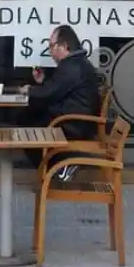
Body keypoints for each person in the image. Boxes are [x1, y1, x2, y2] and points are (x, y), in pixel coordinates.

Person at [19, 25, 101, 181]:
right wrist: (42, 82)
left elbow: (50, 93)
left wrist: (29, 90)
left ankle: (60, 166)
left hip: (74, 124)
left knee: (27, 125)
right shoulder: (77, 63)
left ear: (64, 46)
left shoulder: (72, 66)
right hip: (75, 119)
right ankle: (58, 166)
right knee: (29, 117)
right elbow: (57, 89)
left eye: (51, 46)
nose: (50, 51)